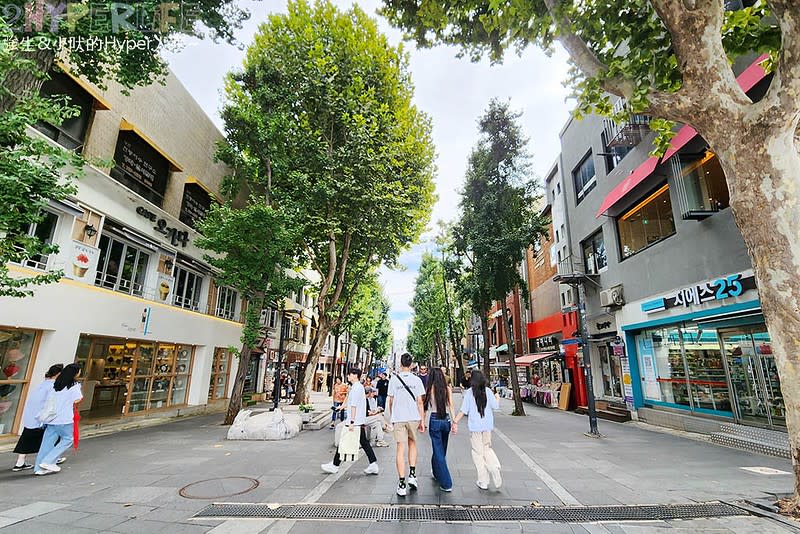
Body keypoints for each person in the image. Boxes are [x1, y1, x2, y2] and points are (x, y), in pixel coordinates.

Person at [321, 368, 379, 476]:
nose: (348, 376)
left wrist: (352, 422)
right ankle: (373, 464)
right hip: (357, 421)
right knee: (363, 443)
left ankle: (335, 465)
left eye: (349, 374)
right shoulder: (356, 387)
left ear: (355, 375)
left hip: (354, 422)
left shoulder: (357, 388)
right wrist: (341, 407)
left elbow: (354, 406)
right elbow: (351, 402)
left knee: (344, 441)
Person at [453, 369, 502, 490]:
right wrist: (497, 398)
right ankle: (494, 466)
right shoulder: (488, 391)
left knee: (477, 454)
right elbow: (495, 407)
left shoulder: (469, 393)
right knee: (487, 448)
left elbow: (463, 410)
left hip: (475, 427)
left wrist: (454, 422)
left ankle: (483, 480)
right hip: (487, 426)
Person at [11, 364, 65, 471]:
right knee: (52, 436)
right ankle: (52, 457)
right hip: (42, 418)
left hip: (31, 416)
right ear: (58, 374)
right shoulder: (53, 386)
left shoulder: (42, 384)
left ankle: (20, 462)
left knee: (27, 438)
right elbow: (52, 403)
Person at [387, 353, 426, 497]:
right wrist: (422, 420)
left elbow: (390, 401)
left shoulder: (393, 380)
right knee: (413, 445)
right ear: (412, 365)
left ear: (400, 364)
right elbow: (420, 402)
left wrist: (393, 416)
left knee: (400, 448)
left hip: (399, 418)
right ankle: (413, 476)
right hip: (413, 417)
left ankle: (402, 484)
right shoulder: (416, 380)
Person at [35, 363, 83, 476]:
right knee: (68, 439)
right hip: (64, 418)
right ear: (75, 373)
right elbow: (77, 399)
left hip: (51, 418)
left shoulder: (56, 384)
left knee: (46, 443)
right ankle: (48, 461)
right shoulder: (74, 385)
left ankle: (39, 468)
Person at [424, 367, 455, 492]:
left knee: (438, 451)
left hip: (435, 419)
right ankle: (437, 472)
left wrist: (422, 421)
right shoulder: (447, 389)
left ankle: (447, 483)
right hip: (446, 420)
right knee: (441, 450)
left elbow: (425, 407)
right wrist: (454, 422)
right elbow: (451, 405)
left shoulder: (430, 389)